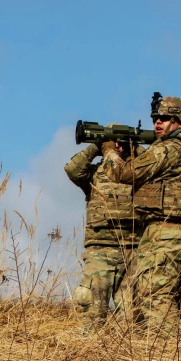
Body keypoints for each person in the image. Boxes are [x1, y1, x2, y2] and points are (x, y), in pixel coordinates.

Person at [101, 97, 181, 336]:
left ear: (179, 121)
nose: (157, 123)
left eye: (164, 119)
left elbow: (124, 173)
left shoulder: (167, 148)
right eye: (155, 119)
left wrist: (108, 149)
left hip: (166, 234)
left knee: (153, 292)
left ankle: (166, 354)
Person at [65, 133, 144, 329]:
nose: (118, 145)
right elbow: (73, 170)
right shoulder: (95, 173)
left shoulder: (138, 171)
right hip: (100, 250)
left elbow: (157, 167)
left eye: (121, 141)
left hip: (134, 249)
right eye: (114, 141)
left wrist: (137, 148)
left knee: (134, 315)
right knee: (91, 311)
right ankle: (90, 355)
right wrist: (96, 146)